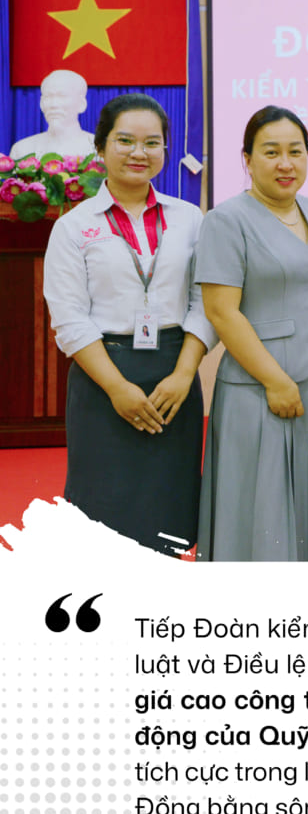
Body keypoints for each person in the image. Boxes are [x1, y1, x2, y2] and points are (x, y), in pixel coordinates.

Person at [42, 93, 214, 554]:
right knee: (103, 510)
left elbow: (205, 301)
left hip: (174, 374)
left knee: (170, 508)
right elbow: (69, 318)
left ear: (164, 150)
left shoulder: (189, 219)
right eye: (125, 141)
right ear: (101, 146)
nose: (139, 152)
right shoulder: (74, 226)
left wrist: (184, 375)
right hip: (103, 377)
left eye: (152, 143)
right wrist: (117, 388)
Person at [195, 106, 308, 561]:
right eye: (271, 152)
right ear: (247, 159)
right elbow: (221, 312)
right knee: (259, 509)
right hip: (258, 387)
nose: (285, 163)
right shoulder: (226, 220)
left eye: (295, 151)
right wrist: (275, 380)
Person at [11, 70, 95, 159]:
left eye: (62, 96)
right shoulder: (23, 150)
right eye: (48, 96)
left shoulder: (97, 149)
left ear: (82, 104)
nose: (54, 104)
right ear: (41, 103)